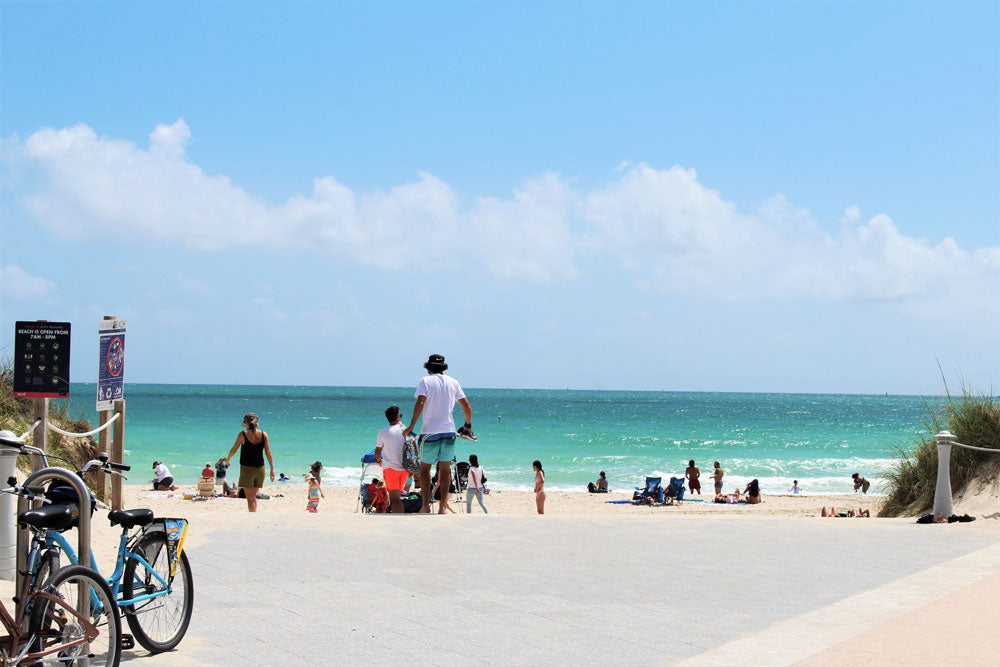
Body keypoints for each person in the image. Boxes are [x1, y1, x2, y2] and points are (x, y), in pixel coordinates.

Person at [403, 354, 473, 514]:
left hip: (429, 433)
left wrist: (412, 425)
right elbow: (466, 406)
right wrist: (468, 426)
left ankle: (426, 507)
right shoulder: (453, 382)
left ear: (428, 368)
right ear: (443, 368)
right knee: (445, 470)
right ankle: (442, 507)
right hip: (449, 432)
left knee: (425, 470)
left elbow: (420, 402)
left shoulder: (425, 381)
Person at [225, 412, 276, 512]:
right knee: (254, 496)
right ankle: (255, 517)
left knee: (250, 498)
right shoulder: (263, 434)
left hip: (247, 469)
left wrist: (228, 460)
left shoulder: (243, 434)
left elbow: (233, 450)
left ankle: (252, 519)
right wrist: (272, 469)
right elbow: (268, 453)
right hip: (260, 469)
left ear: (245, 422)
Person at [376, 405, 408, 514]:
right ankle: (400, 517)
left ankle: (397, 520)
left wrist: (380, 461)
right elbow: (414, 445)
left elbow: (377, 452)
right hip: (404, 469)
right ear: (398, 417)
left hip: (390, 469)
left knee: (395, 499)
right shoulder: (404, 429)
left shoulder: (383, 432)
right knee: (398, 497)